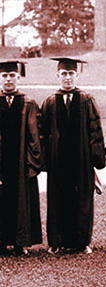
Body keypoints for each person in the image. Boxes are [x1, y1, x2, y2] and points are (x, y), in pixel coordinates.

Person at [41, 58, 106, 255]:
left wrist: (96, 160)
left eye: (71, 74)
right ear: (57, 76)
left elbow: (95, 130)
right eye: (64, 74)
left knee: (82, 201)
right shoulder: (50, 102)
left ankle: (82, 242)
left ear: (77, 75)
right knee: (57, 200)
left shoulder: (86, 100)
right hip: (58, 162)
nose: (67, 78)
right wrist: (45, 162)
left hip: (81, 161)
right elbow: (42, 134)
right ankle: (57, 241)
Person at [0, 60, 42, 255]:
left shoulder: (28, 103)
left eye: (12, 76)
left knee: (20, 200)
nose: (8, 79)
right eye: (4, 76)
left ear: (18, 77)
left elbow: (36, 136)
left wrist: (32, 162)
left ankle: (19, 242)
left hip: (19, 163)